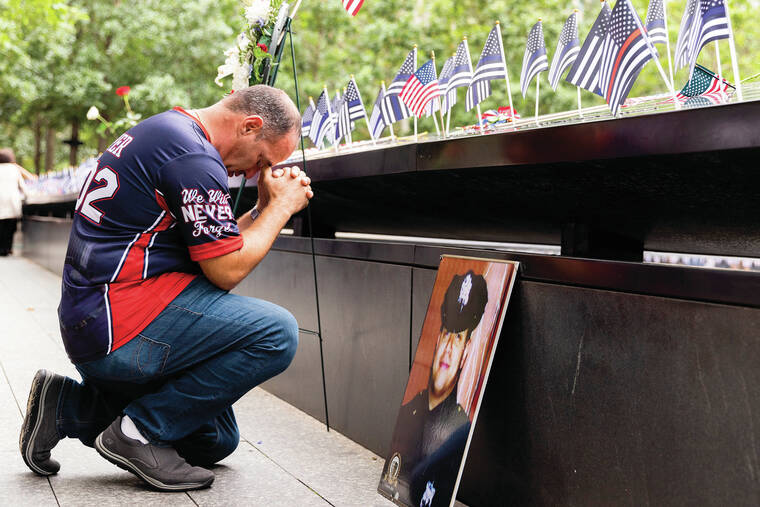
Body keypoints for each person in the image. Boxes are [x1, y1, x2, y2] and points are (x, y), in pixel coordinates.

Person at [19, 85, 313, 491]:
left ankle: (69, 407)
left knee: (215, 440)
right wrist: (282, 209)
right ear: (250, 126)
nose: (251, 173)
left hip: (98, 320)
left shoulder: (170, 132)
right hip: (120, 329)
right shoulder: (193, 157)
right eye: (262, 159)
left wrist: (263, 208)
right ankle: (137, 433)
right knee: (277, 333)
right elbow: (226, 270)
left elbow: (216, 248)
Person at [379, 271, 488, 507]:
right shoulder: (407, 414)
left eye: (457, 339)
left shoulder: (458, 433)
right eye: (447, 335)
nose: (449, 348)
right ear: (437, 340)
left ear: (465, 353)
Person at [0, 148, 28, 256]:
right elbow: (22, 186)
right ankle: (7, 249)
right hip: (12, 202)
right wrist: (27, 196)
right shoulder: (14, 169)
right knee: (10, 227)